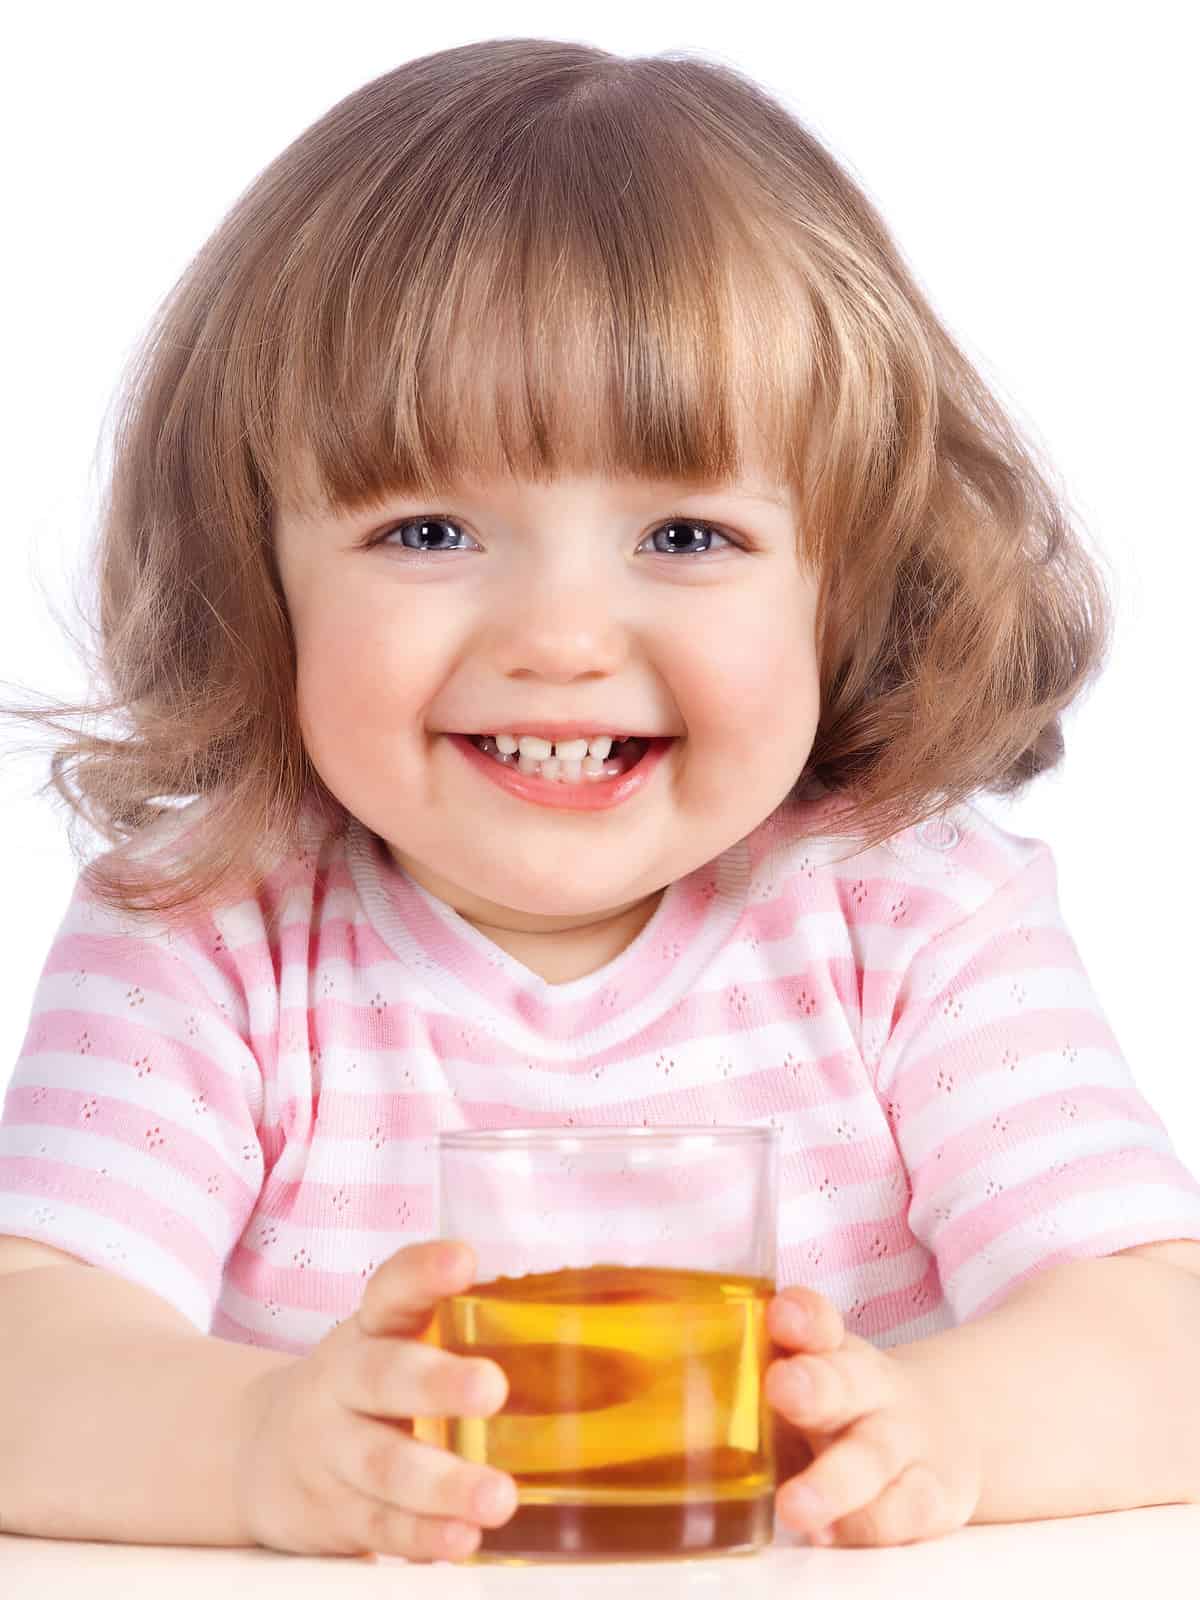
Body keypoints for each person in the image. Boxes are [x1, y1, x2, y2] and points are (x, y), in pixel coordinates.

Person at [1, 36, 1199, 1564]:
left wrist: (948, 1425)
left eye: (688, 536)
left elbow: (1162, 1329)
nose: (560, 640)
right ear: (259, 580)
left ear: (849, 588)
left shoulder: (914, 917)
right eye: (428, 528)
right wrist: (250, 1446)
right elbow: (25, 1353)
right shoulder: (209, 934)